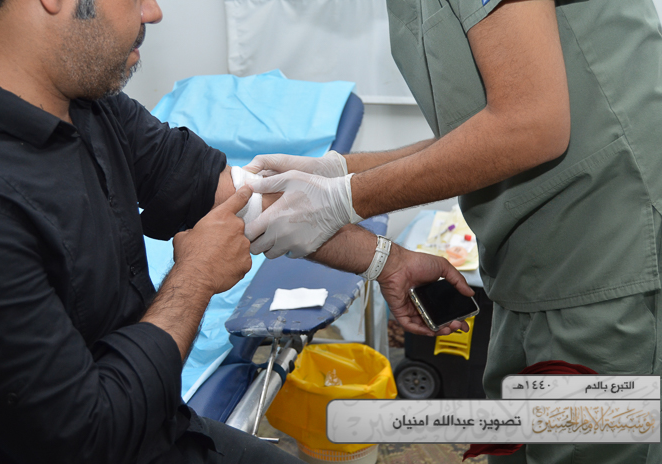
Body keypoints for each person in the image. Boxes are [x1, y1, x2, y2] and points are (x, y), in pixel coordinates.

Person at [0, 0, 474, 463]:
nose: (153, 12)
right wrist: (195, 279)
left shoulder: (88, 106)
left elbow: (236, 197)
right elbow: (89, 436)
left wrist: (388, 260)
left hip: (159, 424)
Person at [243, 1, 662, 463]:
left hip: (609, 255)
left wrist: (346, 197)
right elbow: (482, 129)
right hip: (532, 265)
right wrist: (342, 173)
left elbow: (531, 125)